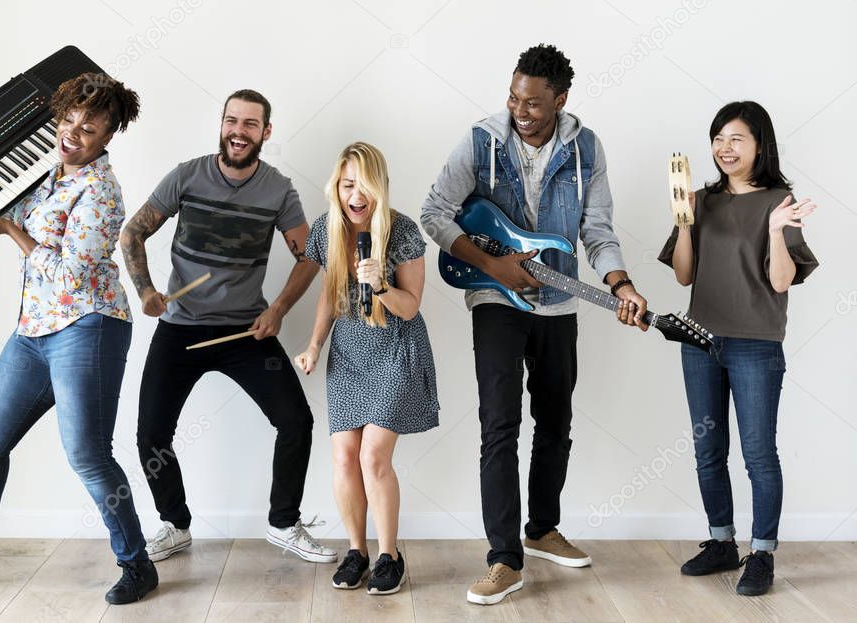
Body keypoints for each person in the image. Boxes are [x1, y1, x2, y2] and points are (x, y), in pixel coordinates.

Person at [0, 73, 158, 604]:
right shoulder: (45, 171)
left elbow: (69, 277)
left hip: (89, 326)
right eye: (67, 121)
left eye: (89, 128)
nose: (74, 134)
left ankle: (137, 565)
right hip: (33, 329)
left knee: (87, 453)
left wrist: (10, 233)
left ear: (108, 137)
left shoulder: (101, 192)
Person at [420, 44, 648, 605]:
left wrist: (620, 284)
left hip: (561, 304)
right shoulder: (479, 141)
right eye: (514, 99)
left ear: (560, 100)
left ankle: (542, 528)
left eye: (534, 104)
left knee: (556, 422)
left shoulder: (585, 148)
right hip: (495, 300)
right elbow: (433, 212)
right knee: (499, 426)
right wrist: (492, 265)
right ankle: (503, 560)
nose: (521, 111)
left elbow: (597, 227)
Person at [120, 89, 336, 564]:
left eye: (251, 124)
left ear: (266, 132)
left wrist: (278, 307)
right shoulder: (187, 176)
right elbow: (132, 231)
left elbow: (311, 256)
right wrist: (146, 292)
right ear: (222, 124)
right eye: (232, 121)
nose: (239, 131)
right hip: (179, 329)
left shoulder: (278, 189)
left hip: (246, 333)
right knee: (151, 433)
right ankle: (175, 524)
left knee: (296, 421)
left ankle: (284, 524)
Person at [659, 100, 818, 597]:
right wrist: (683, 219)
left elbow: (780, 281)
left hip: (756, 346)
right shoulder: (701, 200)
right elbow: (685, 275)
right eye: (718, 139)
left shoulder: (780, 201)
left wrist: (775, 231)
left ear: (759, 145)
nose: (725, 149)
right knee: (708, 450)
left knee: (758, 454)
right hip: (699, 341)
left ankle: (763, 551)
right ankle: (722, 541)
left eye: (737, 139)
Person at [294, 142, 439, 595]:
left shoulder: (404, 232)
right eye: (346, 184)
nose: (355, 194)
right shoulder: (327, 229)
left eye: (364, 185)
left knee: (373, 457)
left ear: (380, 187)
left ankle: (389, 555)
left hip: (395, 347)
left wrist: (380, 284)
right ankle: (357, 552)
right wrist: (314, 346)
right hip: (349, 352)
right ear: (336, 187)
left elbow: (411, 308)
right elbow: (327, 294)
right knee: (343, 457)